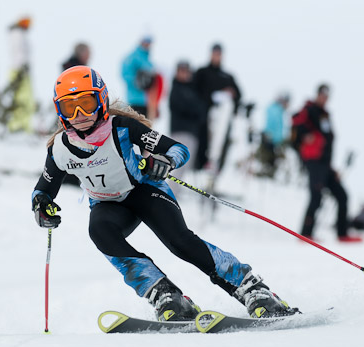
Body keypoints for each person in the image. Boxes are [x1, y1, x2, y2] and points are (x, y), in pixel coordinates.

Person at [31, 66, 299, 321]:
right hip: (108, 205)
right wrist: (41, 207)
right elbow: (44, 190)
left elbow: (178, 149)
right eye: (70, 106)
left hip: (144, 191)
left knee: (179, 242)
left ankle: (252, 288)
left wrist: (166, 162)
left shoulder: (122, 127)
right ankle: (165, 295)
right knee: (100, 231)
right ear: (60, 110)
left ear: (101, 100)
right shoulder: (60, 149)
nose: (79, 113)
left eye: (86, 103)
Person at [292, 84, 362, 242]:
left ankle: (342, 233)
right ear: (317, 94)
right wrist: (306, 136)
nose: (324, 98)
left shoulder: (325, 115)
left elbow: (328, 141)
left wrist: (331, 167)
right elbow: (296, 124)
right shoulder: (308, 110)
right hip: (313, 162)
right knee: (316, 196)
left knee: (342, 195)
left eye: (327, 96)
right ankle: (305, 234)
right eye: (322, 95)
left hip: (325, 164)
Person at [194, 43, 242, 170]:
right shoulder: (202, 73)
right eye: (215, 53)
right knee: (200, 147)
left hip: (221, 120)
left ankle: (214, 166)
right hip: (202, 119)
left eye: (219, 54)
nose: (217, 56)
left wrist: (230, 94)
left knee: (218, 146)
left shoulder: (227, 77)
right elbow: (194, 91)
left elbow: (238, 95)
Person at [168, 61, 206, 190]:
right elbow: (184, 107)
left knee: (184, 168)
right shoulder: (176, 89)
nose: (184, 74)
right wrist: (194, 110)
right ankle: (169, 194)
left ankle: (172, 194)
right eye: (181, 71)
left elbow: (200, 110)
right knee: (177, 167)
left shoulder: (193, 90)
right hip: (180, 132)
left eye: (186, 71)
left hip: (192, 133)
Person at [257, 92, 290, 177]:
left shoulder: (278, 110)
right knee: (268, 161)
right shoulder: (276, 110)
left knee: (272, 162)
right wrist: (273, 138)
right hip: (271, 140)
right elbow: (272, 125)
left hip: (274, 140)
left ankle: (267, 175)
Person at [121, 36, 155, 117]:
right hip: (134, 101)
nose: (147, 44)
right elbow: (125, 74)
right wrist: (137, 83)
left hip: (148, 102)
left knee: (147, 127)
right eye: (145, 41)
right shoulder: (132, 58)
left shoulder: (148, 60)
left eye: (149, 42)